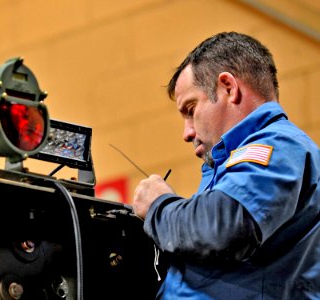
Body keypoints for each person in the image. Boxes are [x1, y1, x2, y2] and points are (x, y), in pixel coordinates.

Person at [132, 31, 319, 299]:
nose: (186, 133)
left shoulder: (278, 146)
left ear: (228, 88)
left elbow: (225, 227)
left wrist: (158, 205)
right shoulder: (237, 161)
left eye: (190, 110)